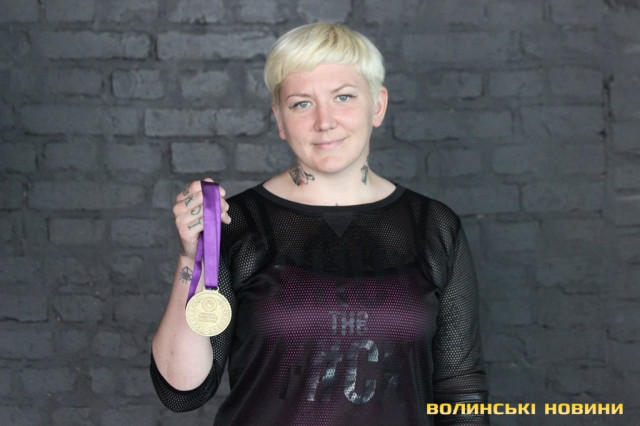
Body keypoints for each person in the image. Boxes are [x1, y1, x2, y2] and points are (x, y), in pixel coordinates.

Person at [150, 22, 489, 425]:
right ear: (279, 118)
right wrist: (191, 259)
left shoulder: (433, 226)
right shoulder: (233, 223)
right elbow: (182, 392)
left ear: (377, 105)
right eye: (301, 104)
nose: (324, 121)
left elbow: (460, 387)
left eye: (343, 97)